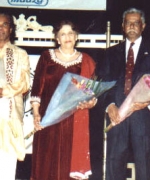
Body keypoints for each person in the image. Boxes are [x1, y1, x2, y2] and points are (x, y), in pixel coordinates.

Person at [30, 20, 97, 180]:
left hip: (72, 121)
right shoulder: (47, 57)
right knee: (47, 164)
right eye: (63, 34)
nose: (67, 36)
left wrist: (91, 102)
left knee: (68, 164)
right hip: (49, 118)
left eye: (71, 33)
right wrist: (36, 114)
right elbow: (37, 88)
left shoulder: (86, 61)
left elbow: (91, 93)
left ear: (76, 37)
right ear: (57, 39)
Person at [98, 7, 150, 180]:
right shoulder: (110, 53)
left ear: (143, 26)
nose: (132, 26)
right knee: (114, 167)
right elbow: (102, 84)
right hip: (116, 116)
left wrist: (148, 102)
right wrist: (110, 105)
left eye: (136, 23)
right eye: (129, 23)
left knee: (145, 167)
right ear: (123, 26)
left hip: (142, 116)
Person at [0, 12, 30, 180]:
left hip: (10, 117)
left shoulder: (20, 54)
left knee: (7, 167)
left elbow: (25, 82)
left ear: (10, 29)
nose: (0, 28)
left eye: (4, 24)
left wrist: (3, 92)